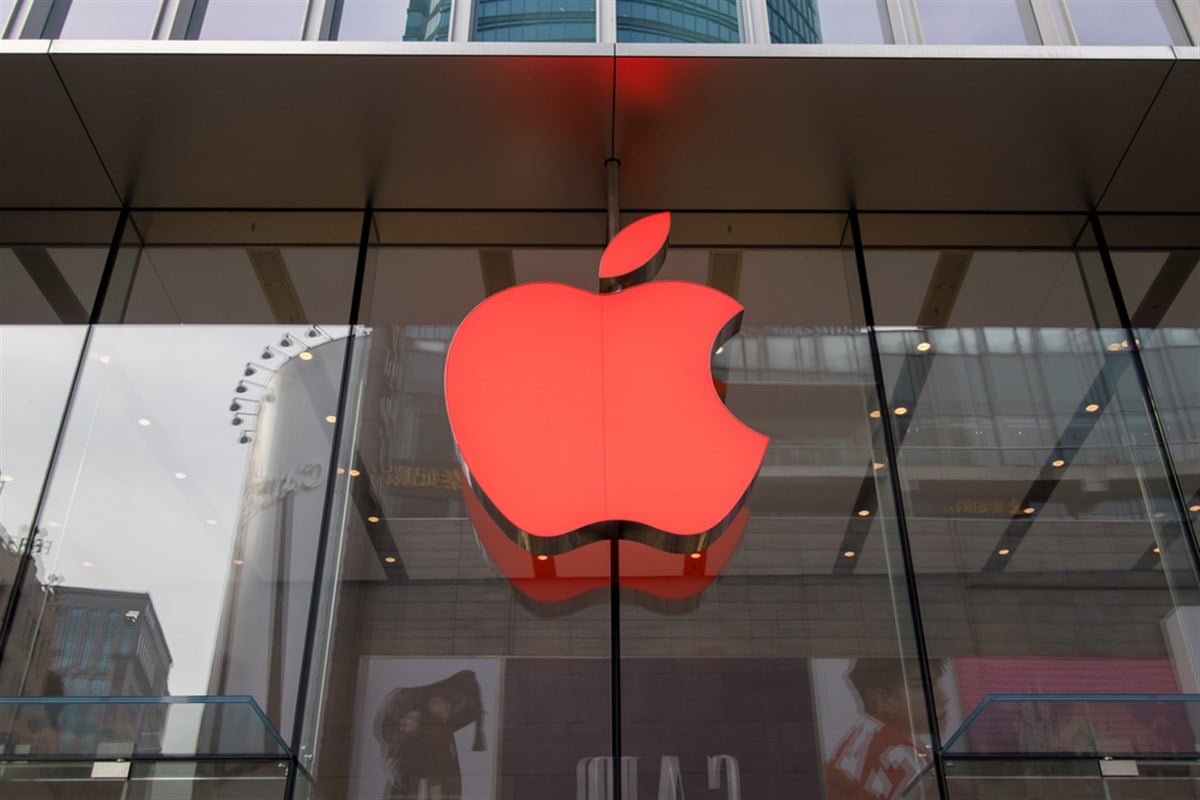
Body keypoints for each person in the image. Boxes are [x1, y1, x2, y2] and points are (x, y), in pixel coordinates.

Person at [824, 659, 940, 800]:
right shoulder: (898, 752)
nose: (941, 697)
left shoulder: (859, 735)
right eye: (919, 686)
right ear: (882, 699)